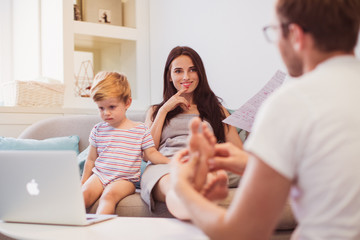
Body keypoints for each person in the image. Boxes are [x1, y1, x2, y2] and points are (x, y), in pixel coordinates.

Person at [170, 0, 360, 239]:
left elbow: (240, 232)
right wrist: (251, 164)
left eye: (274, 32)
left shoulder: (292, 102)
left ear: (295, 34)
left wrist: (181, 187)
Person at [140, 46, 243, 219]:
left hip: (203, 164)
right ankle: (193, 210)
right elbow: (146, 154)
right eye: (178, 71)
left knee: (210, 177)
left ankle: (198, 205)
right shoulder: (155, 111)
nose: (186, 77)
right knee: (173, 186)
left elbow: (239, 152)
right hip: (166, 166)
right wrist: (164, 110)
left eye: (192, 70)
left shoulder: (216, 109)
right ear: (169, 76)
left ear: (199, 74)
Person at [81, 71, 169, 215]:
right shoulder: (98, 130)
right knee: (83, 195)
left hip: (125, 180)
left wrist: (170, 161)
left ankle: (99, 232)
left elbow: (151, 154)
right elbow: (91, 160)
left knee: (108, 198)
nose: (106, 113)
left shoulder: (140, 130)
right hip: (100, 175)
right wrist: (83, 182)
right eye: (101, 108)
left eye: (112, 107)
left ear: (127, 103)